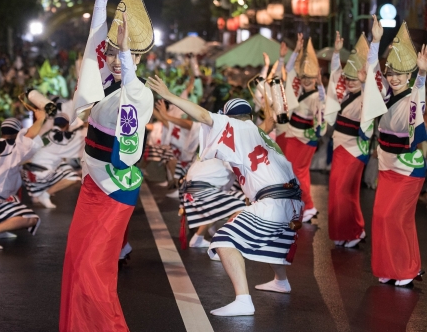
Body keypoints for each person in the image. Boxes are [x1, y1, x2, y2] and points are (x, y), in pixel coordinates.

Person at [148, 74, 303, 317]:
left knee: (224, 240)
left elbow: (201, 116)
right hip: (294, 202)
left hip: (273, 202)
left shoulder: (235, 127)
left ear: (229, 118)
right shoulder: (259, 134)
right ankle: (280, 281)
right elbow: (271, 121)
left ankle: (243, 300)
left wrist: (169, 96)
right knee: (272, 236)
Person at [60, 0, 154, 332]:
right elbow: (96, 39)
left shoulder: (139, 94)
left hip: (115, 191)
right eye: (113, 54)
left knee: (92, 270)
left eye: (125, 54)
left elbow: (130, 94)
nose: (115, 60)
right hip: (91, 187)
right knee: (75, 262)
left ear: (139, 57)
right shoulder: (108, 86)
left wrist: (128, 57)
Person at [361, 16, 427, 286]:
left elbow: (419, 96)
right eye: (390, 73)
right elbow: (371, 74)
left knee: (394, 217)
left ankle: (406, 270)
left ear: (409, 74)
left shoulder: (415, 93)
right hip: (388, 165)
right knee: (381, 217)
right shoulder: (385, 92)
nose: (393, 78)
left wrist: (422, 74)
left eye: (399, 74)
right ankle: (391, 267)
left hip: (410, 166)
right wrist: (376, 42)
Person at [0, 115, 45, 249]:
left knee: (13, 199)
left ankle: (0, 229)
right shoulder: (12, 148)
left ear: (1, 132)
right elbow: (31, 135)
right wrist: (42, 117)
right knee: (31, 218)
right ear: (17, 134)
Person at [325, 32, 369, 248]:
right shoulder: (346, 94)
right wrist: (335, 53)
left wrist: (367, 83)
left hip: (354, 147)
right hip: (341, 144)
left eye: (355, 77)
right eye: (348, 77)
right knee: (343, 190)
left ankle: (353, 231)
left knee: (342, 189)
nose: (350, 81)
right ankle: (352, 230)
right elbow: (335, 78)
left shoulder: (368, 96)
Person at [283, 34, 326, 222]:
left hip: (304, 138)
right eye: (304, 77)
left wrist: (322, 85)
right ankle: (305, 206)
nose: (306, 80)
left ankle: (307, 205)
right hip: (294, 134)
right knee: (299, 172)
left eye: (310, 77)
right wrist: (296, 52)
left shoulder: (317, 96)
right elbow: (289, 70)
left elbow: (322, 112)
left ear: (316, 77)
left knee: (295, 172)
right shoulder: (300, 90)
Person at [21, 111, 84, 208]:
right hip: (40, 175)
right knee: (73, 177)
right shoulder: (63, 138)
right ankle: (45, 194)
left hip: (27, 175)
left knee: (62, 165)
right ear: (66, 125)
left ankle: (37, 195)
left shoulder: (45, 132)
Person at [179, 157, 246, 248]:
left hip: (192, 191)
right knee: (242, 208)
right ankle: (222, 242)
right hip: (201, 192)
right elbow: (243, 174)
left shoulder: (212, 151)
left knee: (238, 199)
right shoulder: (230, 155)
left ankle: (200, 238)